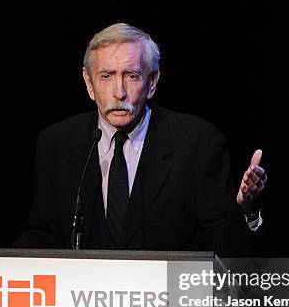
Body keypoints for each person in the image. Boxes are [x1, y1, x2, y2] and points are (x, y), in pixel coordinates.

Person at [13, 23, 267, 255]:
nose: (119, 92)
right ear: (89, 83)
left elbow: (221, 250)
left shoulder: (198, 144)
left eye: (132, 76)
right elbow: (42, 235)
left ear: (152, 81)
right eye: (106, 76)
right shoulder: (57, 143)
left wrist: (246, 209)